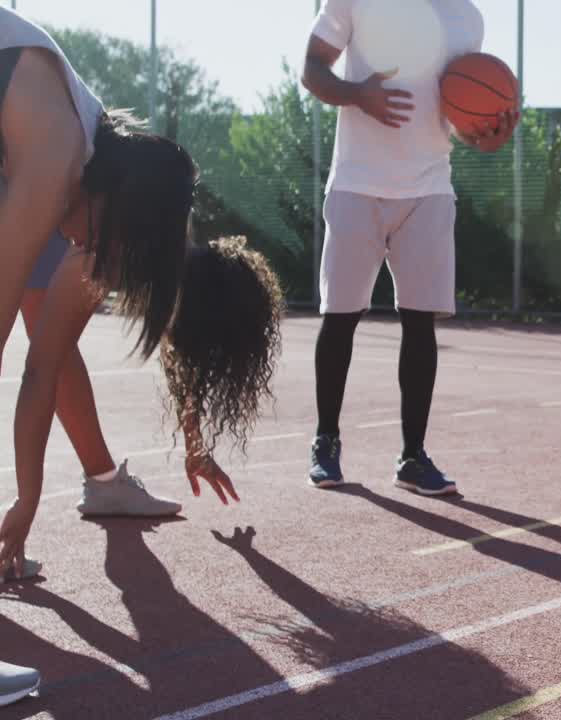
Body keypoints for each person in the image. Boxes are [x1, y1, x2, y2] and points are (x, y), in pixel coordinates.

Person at [0, 8, 284, 581]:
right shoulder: (60, 164)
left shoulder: (126, 197)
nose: (86, 257)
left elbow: (42, 369)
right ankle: (104, 481)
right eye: (102, 253)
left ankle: (103, 481)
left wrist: (26, 499)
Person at [303, 0, 517, 496]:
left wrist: (483, 137)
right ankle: (325, 441)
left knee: (420, 322)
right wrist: (357, 94)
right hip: (356, 181)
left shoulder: (468, 18)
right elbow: (312, 69)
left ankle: (413, 457)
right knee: (340, 317)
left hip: (429, 186)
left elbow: (456, 110)